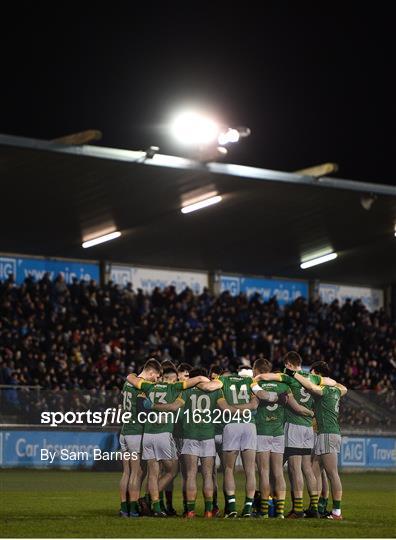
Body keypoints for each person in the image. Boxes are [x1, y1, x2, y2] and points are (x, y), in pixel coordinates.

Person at [255, 351, 337, 518]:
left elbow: (268, 377)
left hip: (293, 426)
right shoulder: (312, 378)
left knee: (294, 469)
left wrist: (256, 378)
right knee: (307, 469)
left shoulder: (288, 376)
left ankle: (297, 509)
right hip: (308, 428)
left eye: (286, 366)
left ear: (289, 364)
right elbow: (332, 382)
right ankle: (314, 507)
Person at [126, 368, 210, 517]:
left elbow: (131, 379)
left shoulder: (148, 386)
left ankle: (156, 508)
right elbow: (198, 380)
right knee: (172, 470)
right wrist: (210, 381)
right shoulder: (174, 387)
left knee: (153, 473)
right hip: (164, 434)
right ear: (172, 378)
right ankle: (150, 500)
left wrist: (132, 375)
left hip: (148, 434)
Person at [251, 358, 314, 519]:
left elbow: (253, 404)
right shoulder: (285, 386)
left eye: (254, 372)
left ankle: (264, 511)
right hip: (278, 434)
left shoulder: (257, 384)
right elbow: (297, 408)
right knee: (279, 472)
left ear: (258, 371)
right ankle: (280, 512)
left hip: (262, 432)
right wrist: (312, 414)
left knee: (264, 472)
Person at [293, 360, 347, 520]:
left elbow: (310, 386)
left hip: (328, 434)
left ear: (317, 373)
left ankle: (337, 512)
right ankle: (314, 506)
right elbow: (344, 388)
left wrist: (293, 373)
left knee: (332, 474)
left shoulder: (324, 390)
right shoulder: (336, 389)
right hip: (328, 433)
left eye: (313, 374)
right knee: (314, 470)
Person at [118, 358, 161, 517]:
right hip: (135, 432)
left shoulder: (128, 382)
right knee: (137, 472)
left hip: (124, 432)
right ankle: (134, 508)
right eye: (156, 376)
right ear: (150, 372)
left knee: (126, 472)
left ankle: (124, 507)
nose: (156, 380)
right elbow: (144, 411)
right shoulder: (141, 386)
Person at [180, 367, 223, 518]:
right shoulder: (215, 391)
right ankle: (209, 511)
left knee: (191, 475)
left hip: (190, 435)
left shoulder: (185, 391)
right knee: (207, 475)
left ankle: (190, 511)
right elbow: (224, 408)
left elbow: (176, 409)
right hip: (207, 435)